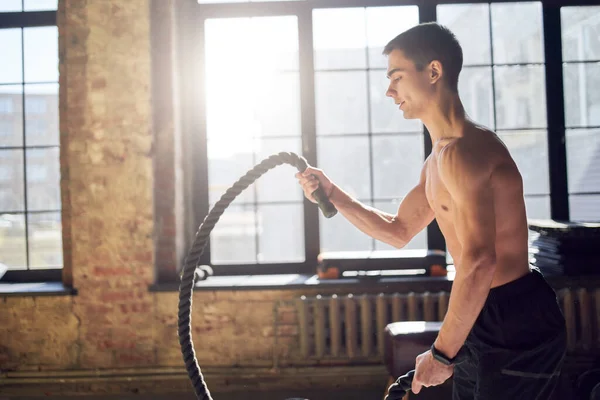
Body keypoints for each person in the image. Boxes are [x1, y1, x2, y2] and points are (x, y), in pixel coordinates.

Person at [296, 22, 567, 400]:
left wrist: (441, 353)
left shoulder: (465, 152)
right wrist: (333, 194)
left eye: (398, 77)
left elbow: (479, 260)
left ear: (434, 72)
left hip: (514, 313)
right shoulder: (439, 158)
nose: (390, 91)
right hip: (482, 307)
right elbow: (398, 229)